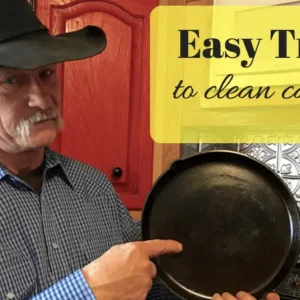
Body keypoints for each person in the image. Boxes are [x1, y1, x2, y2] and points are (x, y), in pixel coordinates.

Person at [0, 1, 282, 300]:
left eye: (46, 74)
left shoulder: (92, 185)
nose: (42, 101)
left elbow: (148, 287)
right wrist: (86, 293)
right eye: (11, 81)